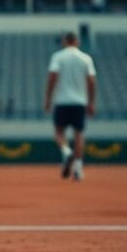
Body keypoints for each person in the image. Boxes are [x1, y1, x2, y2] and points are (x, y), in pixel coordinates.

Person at [44, 32, 96, 181]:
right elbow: (92, 82)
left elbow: (52, 78)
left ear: (64, 42)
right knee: (79, 134)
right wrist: (91, 102)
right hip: (80, 102)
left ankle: (66, 152)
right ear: (77, 42)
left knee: (59, 133)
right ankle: (78, 170)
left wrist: (48, 99)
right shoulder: (86, 58)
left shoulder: (58, 57)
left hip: (61, 101)